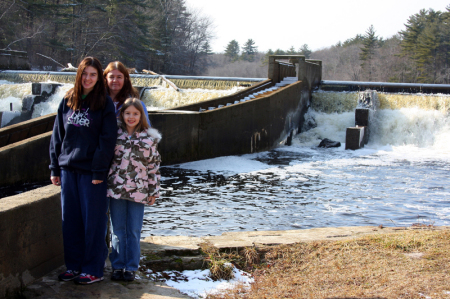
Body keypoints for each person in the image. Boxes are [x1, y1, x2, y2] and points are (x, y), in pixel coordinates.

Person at [49, 57, 117, 285]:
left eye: (93, 74)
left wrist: (99, 171)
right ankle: (74, 266)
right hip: (68, 170)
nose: (88, 78)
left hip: (91, 174)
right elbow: (57, 136)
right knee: (70, 221)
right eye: (84, 73)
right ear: (79, 75)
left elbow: (107, 140)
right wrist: (54, 167)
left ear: (99, 78)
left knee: (93, 223)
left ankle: (93, 269)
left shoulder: (105, 103)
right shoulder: (68, 100)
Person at [106, 98, 161, 281]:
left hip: (139, 191)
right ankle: (117, 266)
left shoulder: (149, 138)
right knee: (117, 230)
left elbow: (153, 168)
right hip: (116, 190)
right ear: (122, 114)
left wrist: (154, 191)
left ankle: (131, 267)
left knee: (134, 230)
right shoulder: (115, 135)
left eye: (135, 114)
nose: (131, 117)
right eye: (127, 113)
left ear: (141, 116)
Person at [103, 61, 151, 125]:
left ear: (125, 79)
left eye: (119, 77)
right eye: (111, 77)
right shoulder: (97, 102)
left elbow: (146, 129)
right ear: (105, 78)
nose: (115, 80)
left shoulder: (138, 105)